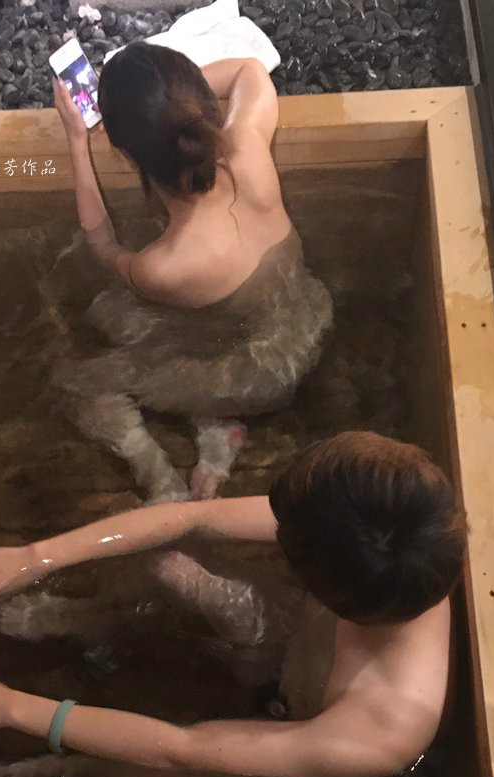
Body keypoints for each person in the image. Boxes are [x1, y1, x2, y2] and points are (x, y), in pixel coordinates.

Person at [0, 432, 466, 777]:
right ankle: (89, 620)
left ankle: (78, 774)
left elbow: (182, 748)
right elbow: (195, 517)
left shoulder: (381, 729)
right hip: (306, 637)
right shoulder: (393, 513)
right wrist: (36, 557)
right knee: (169, 559)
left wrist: (14, 708)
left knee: (145, 775)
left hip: (313, 748)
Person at [49, 44, 333, 502]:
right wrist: (168, 105)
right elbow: (249, 69)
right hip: (306, 321)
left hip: (255, 378)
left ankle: (160, 481)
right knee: (115, 315)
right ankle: (215, 429)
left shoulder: (161, 265)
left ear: (129, 156)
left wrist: (77, 144)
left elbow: (101, 245)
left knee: (79, 380)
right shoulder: (248, 151)